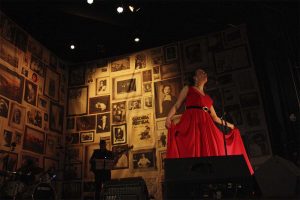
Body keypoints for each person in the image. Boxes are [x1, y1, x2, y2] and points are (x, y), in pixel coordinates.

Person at [165, 68, 254, 175]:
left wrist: (231, 126)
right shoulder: (188, 88)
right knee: (192, 150)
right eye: (201, 72)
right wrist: (168, 118)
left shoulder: (207, 97)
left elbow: (215, 118)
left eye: (205, 72)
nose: (204, 73)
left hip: (206, 125)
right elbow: (177, 105)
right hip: (191, 123)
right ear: (195, 77)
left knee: (211, 152)